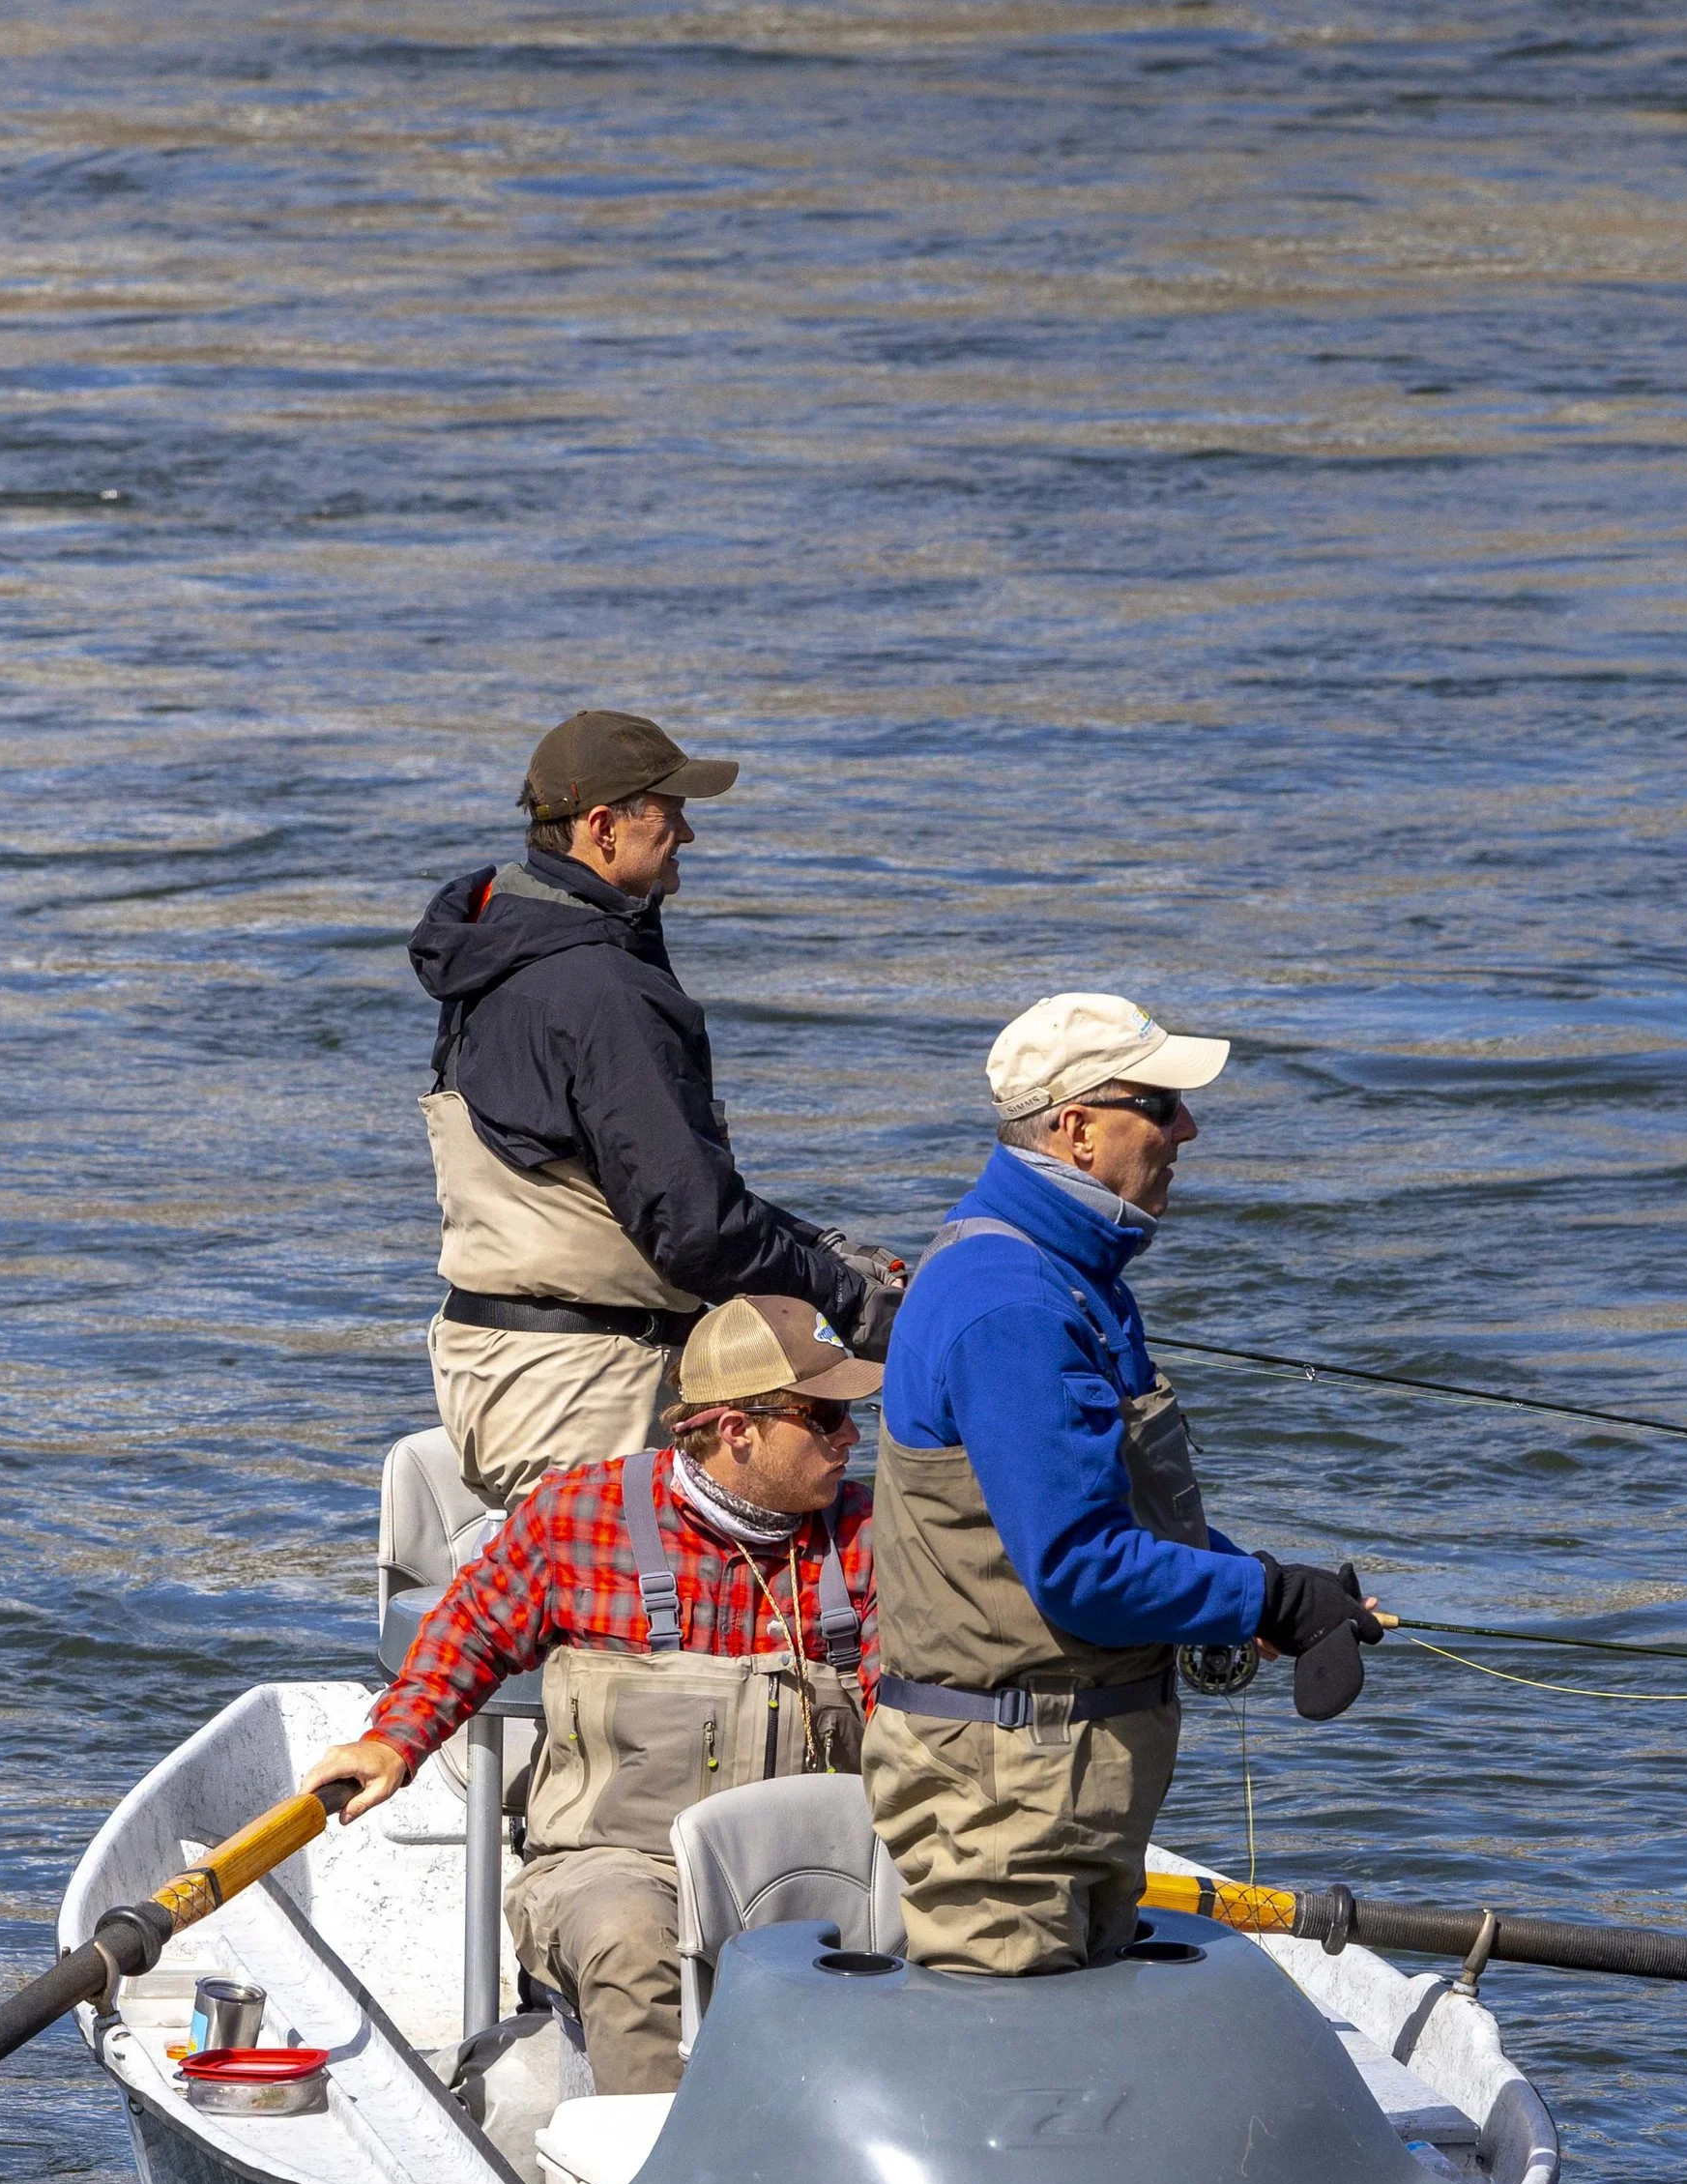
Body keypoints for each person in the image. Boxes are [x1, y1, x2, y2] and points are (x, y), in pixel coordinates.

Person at [862, 992, 1382, 1976]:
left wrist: (1267, 1591)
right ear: (1077, 1129)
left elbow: (1127, 1516)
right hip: (1005, 1788)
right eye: (1160, 1103)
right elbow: (1078, 1567)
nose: (1187, 1127)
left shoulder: (1075, 1279)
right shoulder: (1009, 1301)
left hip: (1066, 1777)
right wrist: (1264, 1594)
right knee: (1015, 2097)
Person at [303, 1296, 882, 2093]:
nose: (853, 1435)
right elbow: (469, 1631)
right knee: (628, 1937)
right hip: (615, 1865)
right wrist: (392, 1740)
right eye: (826, 1415)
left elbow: (917, 1720)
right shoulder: (579, 1515)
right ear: (735, 1428)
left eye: (856, 1411)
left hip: (812, 1871)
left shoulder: (872, 1537)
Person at [408, 708, 905, 1507]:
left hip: (491, 1364)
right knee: (619, 1634)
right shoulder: (605, 989)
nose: (688, 835)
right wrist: (851, 1301)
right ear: (601, 827)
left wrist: (821, 1247)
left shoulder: (500, 956)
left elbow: (633, 1185)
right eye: (668, 813)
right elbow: (694, 1230)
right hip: (583, 1389)